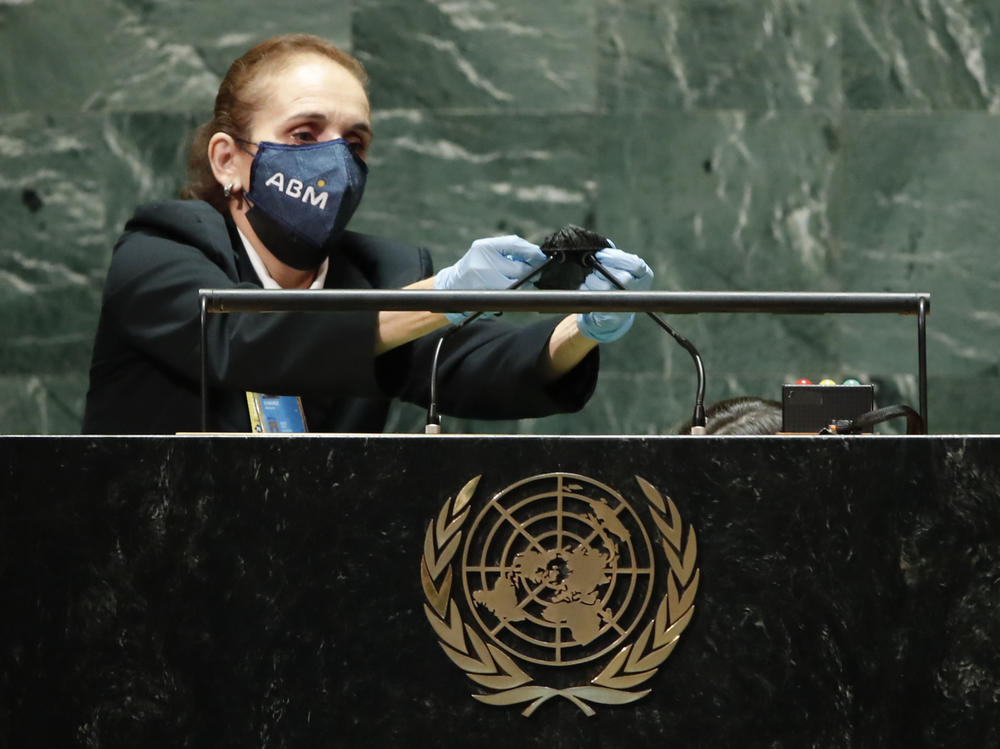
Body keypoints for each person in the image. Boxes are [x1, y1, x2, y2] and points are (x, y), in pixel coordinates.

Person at [82, 34, 653, 434]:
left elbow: (475, 367)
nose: (333, 162)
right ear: (229, 159)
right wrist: (443, 296)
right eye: (305, 135)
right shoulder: (160, 249)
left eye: (354, 143)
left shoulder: (384, 273)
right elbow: (244, 343)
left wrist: (582, 325)